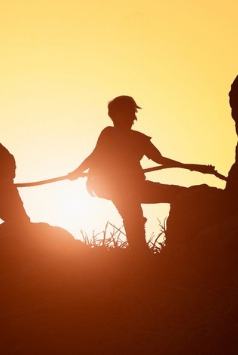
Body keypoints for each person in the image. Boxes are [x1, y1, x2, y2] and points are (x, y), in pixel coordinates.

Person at [68, 96, 216, 252]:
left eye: (133, 113)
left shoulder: (140, 139)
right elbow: (95, 156)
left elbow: (161, 160)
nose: (133, 117)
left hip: (137, 185)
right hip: (114, 187)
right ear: (115, 114)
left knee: (182, 194)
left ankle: (178, 242)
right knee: (133, 214)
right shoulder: (109, 133)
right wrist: (76, 172)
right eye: (128, 112)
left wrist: (193, 167)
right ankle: (139, 254)